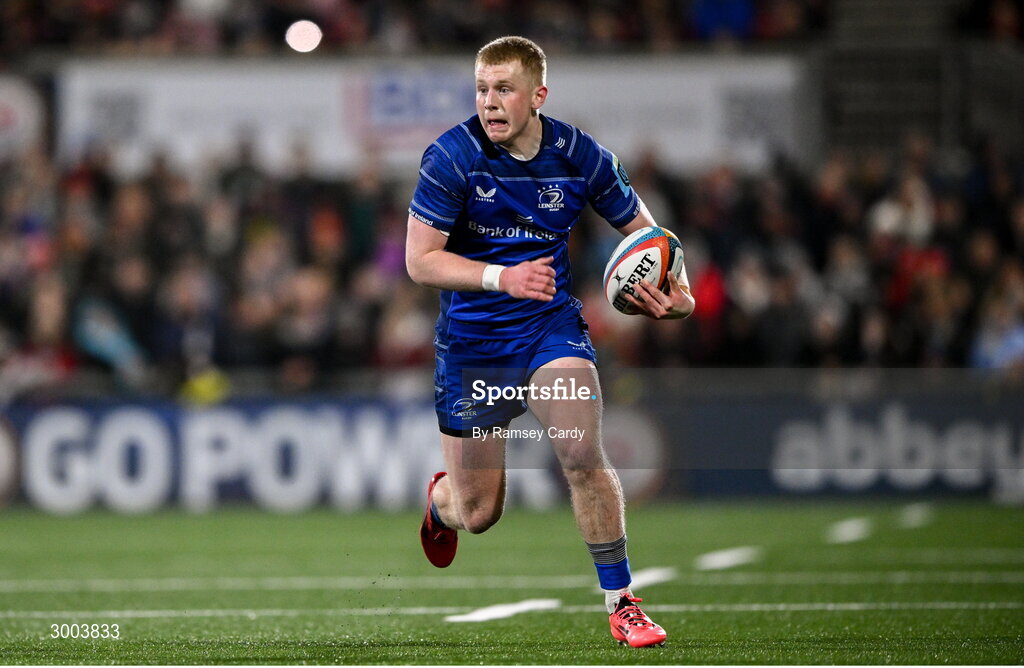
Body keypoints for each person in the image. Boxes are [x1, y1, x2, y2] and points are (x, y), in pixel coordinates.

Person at [405, 36, 694, 648]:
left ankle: (622, 603)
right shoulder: (451, 156)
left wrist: (680, 293)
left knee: (581, 454)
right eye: (481, 89)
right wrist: (499, 277)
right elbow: (420, 261)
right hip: (474, 344)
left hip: (547, 328)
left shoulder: (580, 156)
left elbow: (651, 235)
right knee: (479, 513)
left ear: (538, 95)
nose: (489, 102)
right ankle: (442, 504)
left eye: (503, 89)